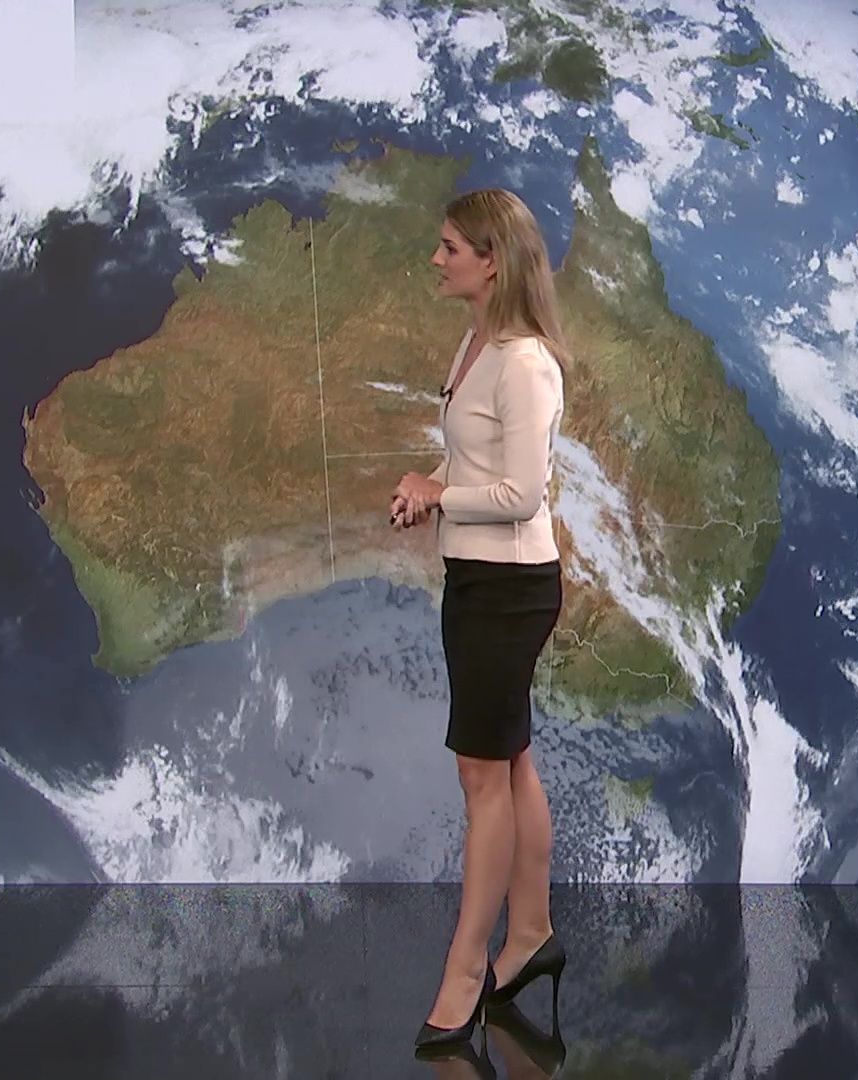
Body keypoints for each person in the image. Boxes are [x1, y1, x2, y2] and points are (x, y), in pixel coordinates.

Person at [390, 189, 570, 1057]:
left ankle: (466, 975)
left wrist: (439, 495)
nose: (436, 260)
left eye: (450, 247)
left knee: (481, 778)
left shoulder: (526, 364)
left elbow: (523, 494)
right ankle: (531, 935)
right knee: (510, 760)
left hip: (510, 590)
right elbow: (474, 457)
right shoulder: (476, 345)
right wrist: (428, 486)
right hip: (476, 580)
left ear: (492, 260)